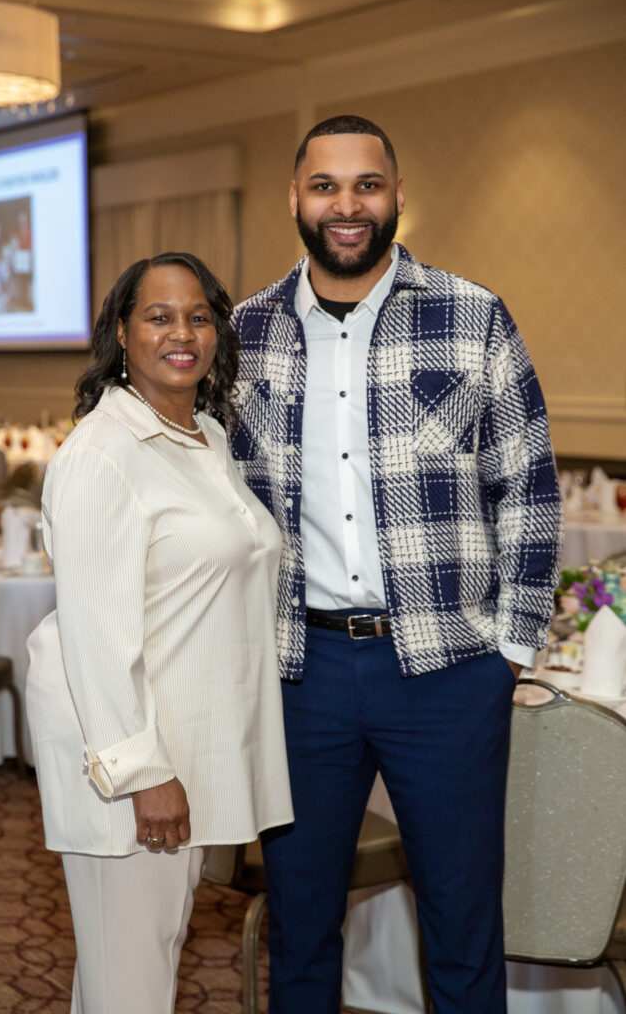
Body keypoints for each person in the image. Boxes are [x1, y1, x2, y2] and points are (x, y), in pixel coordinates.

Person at [231, 116, 563, 1013]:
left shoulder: (471, 314)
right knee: (301, 930)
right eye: (325, 186)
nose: (347, 206)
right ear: (293, 199)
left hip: (447, 674)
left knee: (460, 929)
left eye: (366, 185)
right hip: (297, 675)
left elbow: (527, 487)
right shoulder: (245, 331)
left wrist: (508, 654)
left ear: (397, 194)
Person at [26, 251, 293, 1014]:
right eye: (158, 315)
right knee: (129, 987)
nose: (183, 332)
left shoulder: (204, 434)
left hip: (185, 743)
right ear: (121, 331)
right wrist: (143, 773)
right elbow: (94, 634)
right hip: (127, 764)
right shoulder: (101, 456)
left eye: (199, 316)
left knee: (131, 971)